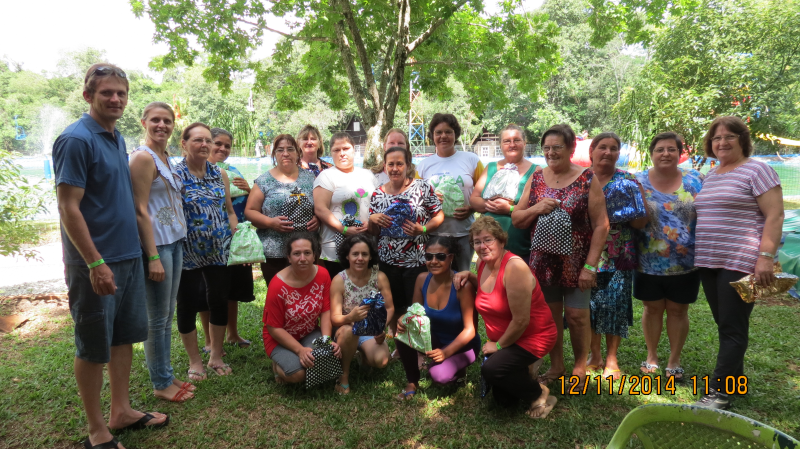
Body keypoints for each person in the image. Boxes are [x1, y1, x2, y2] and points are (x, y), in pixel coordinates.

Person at [53, 63, 167, 449]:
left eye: (121, 93)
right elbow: (69, 207)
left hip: (128, 256)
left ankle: (122, 411)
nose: (115, 99)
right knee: (93, 345)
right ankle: (96, 429)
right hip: (96, 263)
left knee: (123, 338)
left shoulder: (115, 138)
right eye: (106, 93)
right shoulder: (76, 139)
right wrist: (95, 262)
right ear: (88, 96)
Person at [693, 116, 783, 409]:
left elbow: (775, 215)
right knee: (727, 323)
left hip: (741, 260)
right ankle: (736, 381)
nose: (722, 142)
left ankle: (720, 393)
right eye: (716, 138)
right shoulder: (713, 174)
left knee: (732, 325)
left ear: (742, 140)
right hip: (709, 260)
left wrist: (766, 257)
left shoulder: (758, 170)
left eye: (729, 136)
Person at [511, 124, 609, 389]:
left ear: (571, 149)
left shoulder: (588, 178)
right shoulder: (537, 178)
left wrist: (591, 266)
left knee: (578, 316)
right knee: (550, 316)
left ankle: (579, 367)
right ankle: (557, 365)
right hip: (543, 262)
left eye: (557, 147)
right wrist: (536, 208)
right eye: (546, 148)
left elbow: (601, 224)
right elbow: (517, 218)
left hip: (577, 263)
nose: (551, 153)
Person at [454, 216, 558, 417]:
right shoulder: (483, 265)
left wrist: (498, 346)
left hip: (533, 337)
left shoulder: (514, 268)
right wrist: (469, 276)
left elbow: (521, 320)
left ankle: (540, 393)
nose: (482, 246)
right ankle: (525, 371)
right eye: (477, 241)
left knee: (492, 370)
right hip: (510, 340)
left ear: (501, 241)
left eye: (488, 240)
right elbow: (491, 291)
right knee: (504, 401)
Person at [129, 102, 194, 403]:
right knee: (157, 318)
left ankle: (165, 373)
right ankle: (160, 382)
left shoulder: (165, 157)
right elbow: (139, 210)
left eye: (167, 121)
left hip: (175, 241)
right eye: (155, 120)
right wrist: (152, 255)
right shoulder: (143, 158)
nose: (161, 125)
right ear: (143, 122)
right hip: (157, 246)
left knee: (166, 314)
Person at [634, 132, 704, 380]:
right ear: (652, 154)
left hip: (686, 262)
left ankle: (674, 360)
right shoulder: (637, 180)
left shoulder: (695, 180)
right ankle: (651, 356)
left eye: (671, 149)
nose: (665, 153)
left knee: (678, 311)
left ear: (679, 153)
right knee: (651, 309)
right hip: (648, 261)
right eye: (660, 149)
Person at [175, 122, 238, 380]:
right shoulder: (174, 174)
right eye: (197, 140)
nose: (204, 145)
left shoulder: (218, 174)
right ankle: (195, 361)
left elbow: (230, 211)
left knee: (219, 299)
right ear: (184, 143)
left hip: (218, 250)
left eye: (207, 140)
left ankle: (216, 356)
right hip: (186, 252)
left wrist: (237, 237)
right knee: (188, 303)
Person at [585, 133, 649, 380]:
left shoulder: (627, 180)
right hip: (586, 253)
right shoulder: (581, 178)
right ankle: (594, 356)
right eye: (602, 147)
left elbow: (641, 222)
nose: (608, 152)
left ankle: (611, 358)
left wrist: (637, 197)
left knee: (615, 307)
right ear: (592, 150)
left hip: (617, 254)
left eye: (613, 148)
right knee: (589, 306)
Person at [369, 145, 444, 334]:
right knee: (393, 303)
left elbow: (439, 215)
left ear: (408, 165)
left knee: (416, 304)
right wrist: (372, 219)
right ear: (385, 167)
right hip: (388, 260)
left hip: (416, 259)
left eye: (399, 164)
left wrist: (423, 228)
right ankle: (399, 343)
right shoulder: (377, 194)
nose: (395, 168)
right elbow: (373, 231)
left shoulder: (423, 187)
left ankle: (417, 341)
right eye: (391, 164)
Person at [395, 236, 481, 399]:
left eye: (440, 256)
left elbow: (471, 330)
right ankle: (412, 381)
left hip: (463, 346)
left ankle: (458, 371)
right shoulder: (422, 279)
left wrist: (445, 352)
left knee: (440, 377)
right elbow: (414, 314)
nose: (433, 261)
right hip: (434, 340)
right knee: (402, 333)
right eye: (429, 257)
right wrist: (404, 319)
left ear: (451, 258)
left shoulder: (463, 286)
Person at [197, 128, 255, 353]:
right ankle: (209, 340)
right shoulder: (200, 170)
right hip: (209, 240)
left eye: (227, 146)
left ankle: (232, 333)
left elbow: (246, 202)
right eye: (217, 143)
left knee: (233, 289)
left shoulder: (232, 170)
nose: (222, 149)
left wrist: (248, 189)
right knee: (207, 290)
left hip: (236, 238)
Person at [263, 233, 342, 384]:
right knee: (298, 375)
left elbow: (326, 310)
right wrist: (300, 350)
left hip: (308, 332)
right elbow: (274, 328)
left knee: (323, 359)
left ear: (314, 255)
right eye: (296, 254)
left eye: (307, 253)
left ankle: (298, 356)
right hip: (279, 339)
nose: (302, 258)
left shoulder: (323, 274)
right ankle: (277, 366)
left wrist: (326, 340)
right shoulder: (277, 285)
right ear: (289, 257)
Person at [246, 134, 319, 285]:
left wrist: (318, 219)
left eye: (290, 149)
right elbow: (250, 211)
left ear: (298, 153)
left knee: (307, 294)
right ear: (274, 154)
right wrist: (270, 222)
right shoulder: (263, 180)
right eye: (280, 150)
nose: (285, 153)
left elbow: (322, 206)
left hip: (306, 250)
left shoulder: (311, 178)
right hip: (274, 251)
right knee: (278, 295)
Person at [416, 113, 484, 272]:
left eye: (448, 131)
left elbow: (485, 194)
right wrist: (428, 201)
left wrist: (472, 208)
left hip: (464, 234)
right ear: (432, 136)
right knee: (436, 281)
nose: (443, 136)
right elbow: (415, 201)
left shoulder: (471, 160)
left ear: (456, 134)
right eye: (438, 132)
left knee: (463, 280)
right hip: (434, 235)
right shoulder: (423, 165)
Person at [330, 234, 395, 394]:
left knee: (381, 361)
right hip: (345, 329)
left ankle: (364, 356)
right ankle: (343, 375)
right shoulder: (340, 280)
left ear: (371, 256)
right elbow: (334, 318)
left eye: (364, 254)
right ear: (347, 255)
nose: (360, 258)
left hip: (370, 330)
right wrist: (350, 318)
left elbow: (390, 308)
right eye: (355, 254)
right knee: (350, 331)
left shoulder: (379, 277)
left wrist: (380, 327)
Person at [470, 123, 538, 261]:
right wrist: (494, 205)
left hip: (520, 247)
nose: (512, 144)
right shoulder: (491, 167)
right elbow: (474, 200)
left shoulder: (536, 172)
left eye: (517, 140)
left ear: (524, 143)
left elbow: (536, 208)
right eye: (507, 141)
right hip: (488, 247)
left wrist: (509, 209)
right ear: (500, 145)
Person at [313, 132, 377, 278]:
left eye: (346, 148)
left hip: (366, 243)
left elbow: (376, 204)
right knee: (340, 290)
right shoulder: (326, 176)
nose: (342, 153)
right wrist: (344, 229)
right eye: (337, 150)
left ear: (354, 150)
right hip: (335, 246)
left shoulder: (368, 175)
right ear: (331, 153)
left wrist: (371, 223)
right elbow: (320, 208)